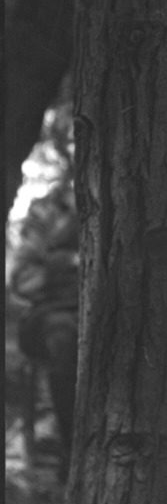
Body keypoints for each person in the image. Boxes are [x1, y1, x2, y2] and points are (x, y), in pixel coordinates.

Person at [9, 175, 79, 478]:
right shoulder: (47, 211)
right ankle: (70, 449)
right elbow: (23, 278)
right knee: (65, 340)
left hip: (109, 309)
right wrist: (68, 264)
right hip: (50, 315)